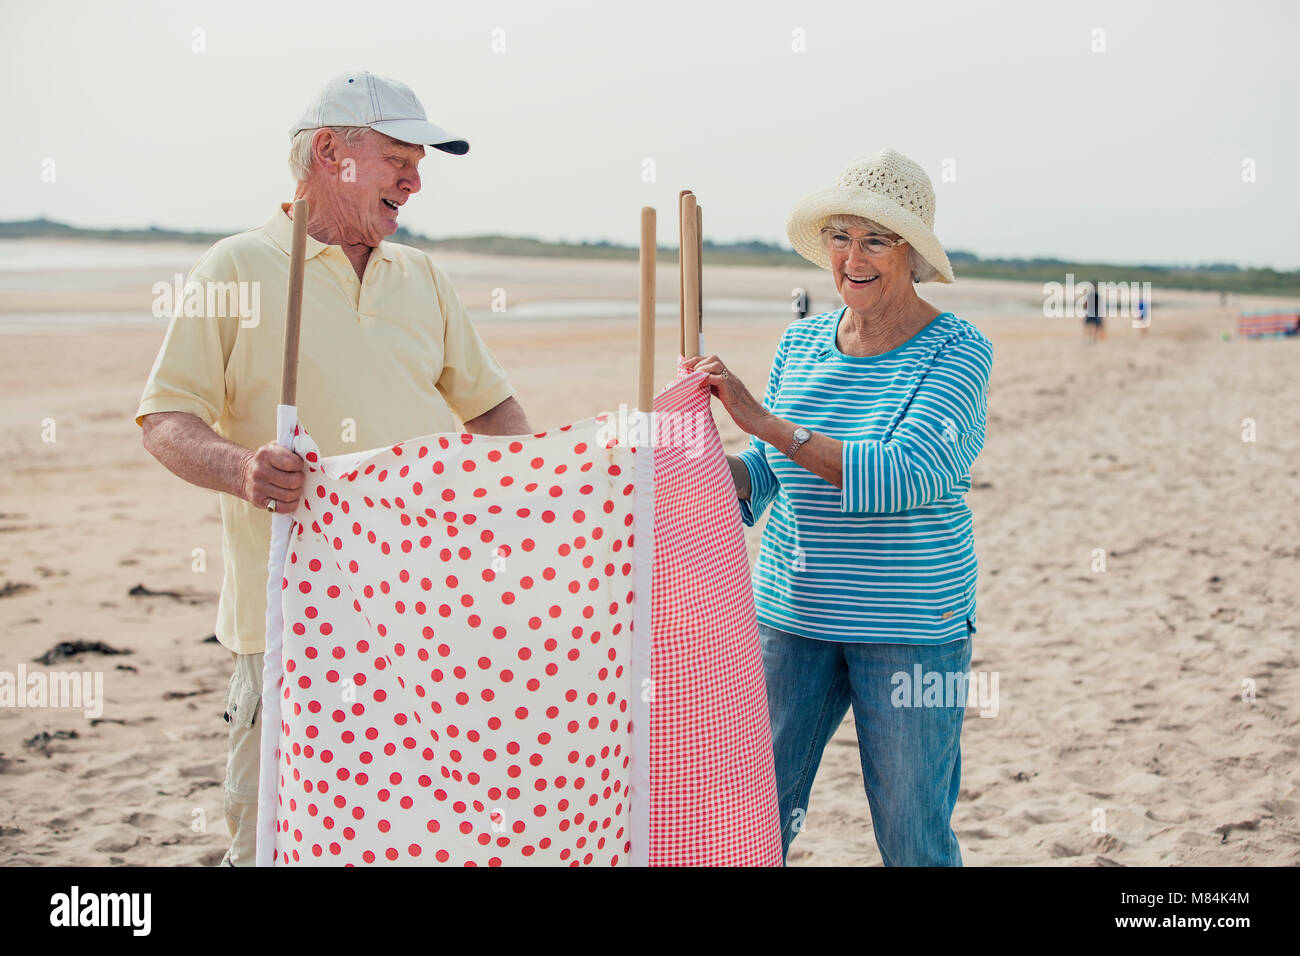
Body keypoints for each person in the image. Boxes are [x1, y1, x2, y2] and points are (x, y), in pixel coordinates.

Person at [135, 71, 531, 866]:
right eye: (396, 159)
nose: (415, 180)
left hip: (424, 619)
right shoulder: (238, 267)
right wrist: (244, 467)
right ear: (328, 152)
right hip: (287, 626)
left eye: (418, 162)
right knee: (275, 842)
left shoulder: (422, 278)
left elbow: (494, 415)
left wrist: (542, 495)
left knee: (414, 835)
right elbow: (165, 419)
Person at [684, 148, 992, 865]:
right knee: (752, 820)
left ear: (913, 254)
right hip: (791, 620)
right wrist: (693, 462)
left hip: (911, 625)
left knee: (912, 835)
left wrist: (764, 422)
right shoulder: (801, 341)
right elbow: (766, 479)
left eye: (876, 239)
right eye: (841, 236)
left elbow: (903, 475)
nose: (853, 256)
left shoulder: (957, 351)